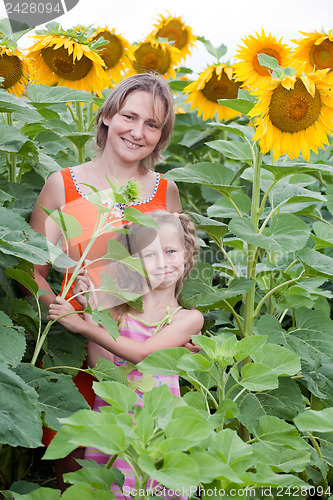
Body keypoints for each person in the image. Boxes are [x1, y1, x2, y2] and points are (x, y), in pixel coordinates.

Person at [28, 73, 190, 487]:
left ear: (161, 135)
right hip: (73, 351)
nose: (137, 132)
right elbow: (33, 272)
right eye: (129, 117)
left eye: (151, 124)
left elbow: (172, 270)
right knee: (79, 474)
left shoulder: (165, 193)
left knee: (136, 473)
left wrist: (175, 327)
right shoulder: (61, 186)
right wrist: (67, 318)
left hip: (142, 354)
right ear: (106, 116)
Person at [48, 211, 204, 499]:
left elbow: (144, 354)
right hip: (113, 427)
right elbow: (101, 368)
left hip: (157, 429)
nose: (163, 263)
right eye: (149, 255)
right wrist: (92, 311)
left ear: (186, 254)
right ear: (134, 262)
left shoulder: (188, 319)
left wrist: (82, 325)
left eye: (170, 251)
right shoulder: (117, 313)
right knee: (111, 490)